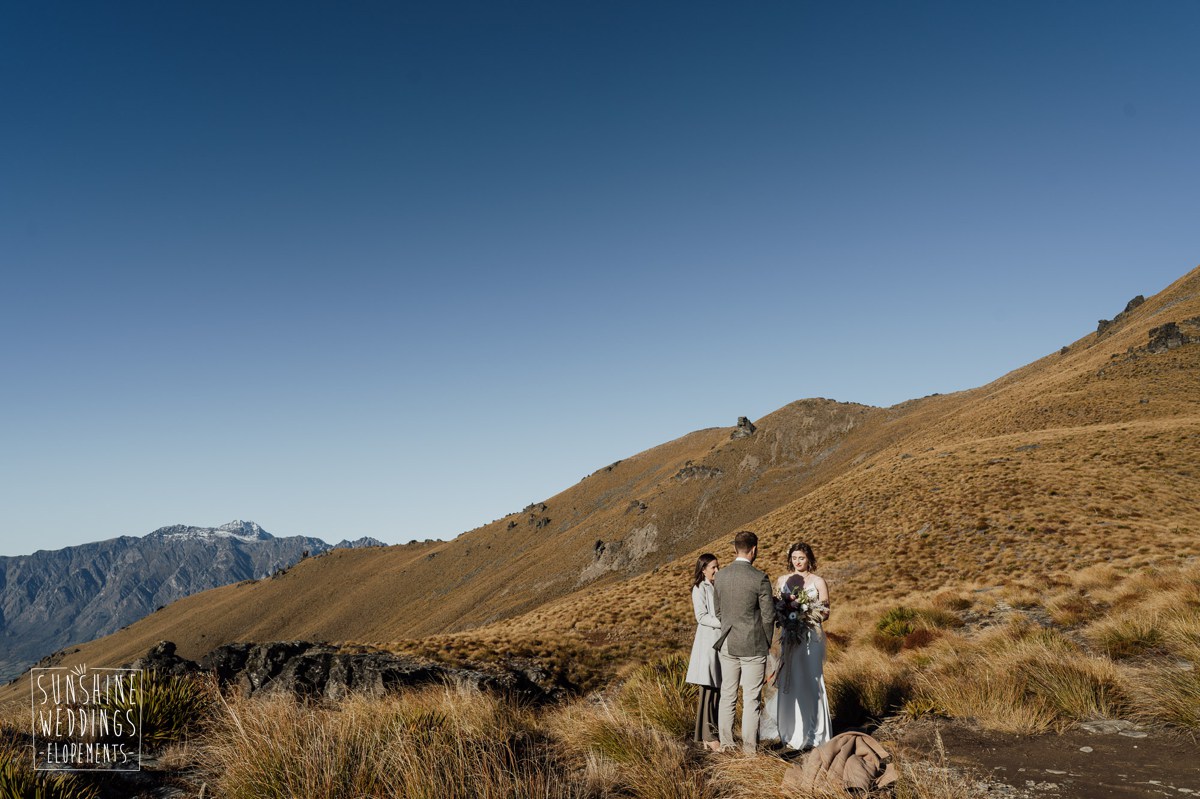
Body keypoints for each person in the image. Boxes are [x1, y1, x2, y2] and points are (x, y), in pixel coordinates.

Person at [712, 530, 774, 754]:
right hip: (752, 645)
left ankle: (727, 745)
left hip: (727, 642)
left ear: (734, 549)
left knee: (727, 694)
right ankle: (749, 751)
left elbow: (718, 611)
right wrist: (766, 641)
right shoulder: (759, 578)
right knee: (751, 699)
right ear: (754, 550)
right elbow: (768, 616)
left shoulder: (721, 576)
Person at [771, 541, 832, 751]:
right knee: (792, 679)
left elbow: (826, 611)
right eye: (795, 558)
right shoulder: (782, 581)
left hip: (811, 636)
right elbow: (776, 607)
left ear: (809, 560)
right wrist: (786, 615)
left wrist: (806, 614)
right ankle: (791, 731)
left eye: (802, 558)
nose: (798, 562)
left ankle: (816, 734)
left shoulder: (818, 581)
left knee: (812, 679)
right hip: (789, 636)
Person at [685, 553, 722, 751]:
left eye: (717, 567)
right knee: (708, 688)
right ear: (703, 569)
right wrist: (723, 623)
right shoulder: (699, 588)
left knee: (717, 687)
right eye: (713, 567)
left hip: (719, 641)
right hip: (708, 642)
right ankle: (709, 735)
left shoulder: (716, 586)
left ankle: (710, 734)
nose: (717, 570)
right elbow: (701, 616)